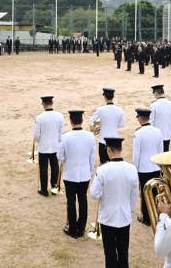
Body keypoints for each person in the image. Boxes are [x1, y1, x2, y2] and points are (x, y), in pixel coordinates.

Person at [90, 137, 139, 268]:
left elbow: (94, 194)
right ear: (121, 149)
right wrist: (130, 211)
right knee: (124, 253)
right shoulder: (132, 169)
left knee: (110, 254)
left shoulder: (103, 170)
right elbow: (134, 195)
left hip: (107, 218)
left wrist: (104, 194)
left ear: (108, 150)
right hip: (124, 217)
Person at [59, 110, 95, 238]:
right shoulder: (90, 136)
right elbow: (92, 157)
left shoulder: (65, 137)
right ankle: (81, 228)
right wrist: (89, 170)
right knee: (83, 200)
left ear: (71, 121)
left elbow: (61, 157)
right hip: (85, 174)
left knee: (71, 201)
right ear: (82, 120)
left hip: (70, 174)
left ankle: (72, 228)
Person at [133, 108, 164, 226]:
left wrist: (135, 169)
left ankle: (146, 217)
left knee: (145, 194)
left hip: (143, 169)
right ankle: (156, 214)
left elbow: (136, 155)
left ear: (140, 118)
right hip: (156, 166)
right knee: (156, 193)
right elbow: (160, 150)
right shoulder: (158, 131)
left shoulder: (138, 133)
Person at [34, 95, 64, 196]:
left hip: (43, 147)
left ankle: (44, 190)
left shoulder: (39, 118)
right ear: (52, 103)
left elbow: (36, 136)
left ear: (43, 104)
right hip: (55, 146)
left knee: (43, 168)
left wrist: (40, 141)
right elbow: (61, 133)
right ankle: (54, 188)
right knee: (55, 167)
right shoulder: (60, 116)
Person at [91, 87, 125, 165]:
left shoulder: (101, 109)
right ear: (113, 96)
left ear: (105, 97)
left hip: (103, 141)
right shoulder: (119, 110)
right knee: (115, 164)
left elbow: (92, 121)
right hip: (115, 141)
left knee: (103, 165)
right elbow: (121, 124)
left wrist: (99, 126)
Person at [150, 84, 171, 152]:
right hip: (168, 133)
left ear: (156, 93)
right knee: (166, 151)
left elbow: (151, 121)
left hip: (156, 134)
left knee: (157, 153)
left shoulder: (154, 105)